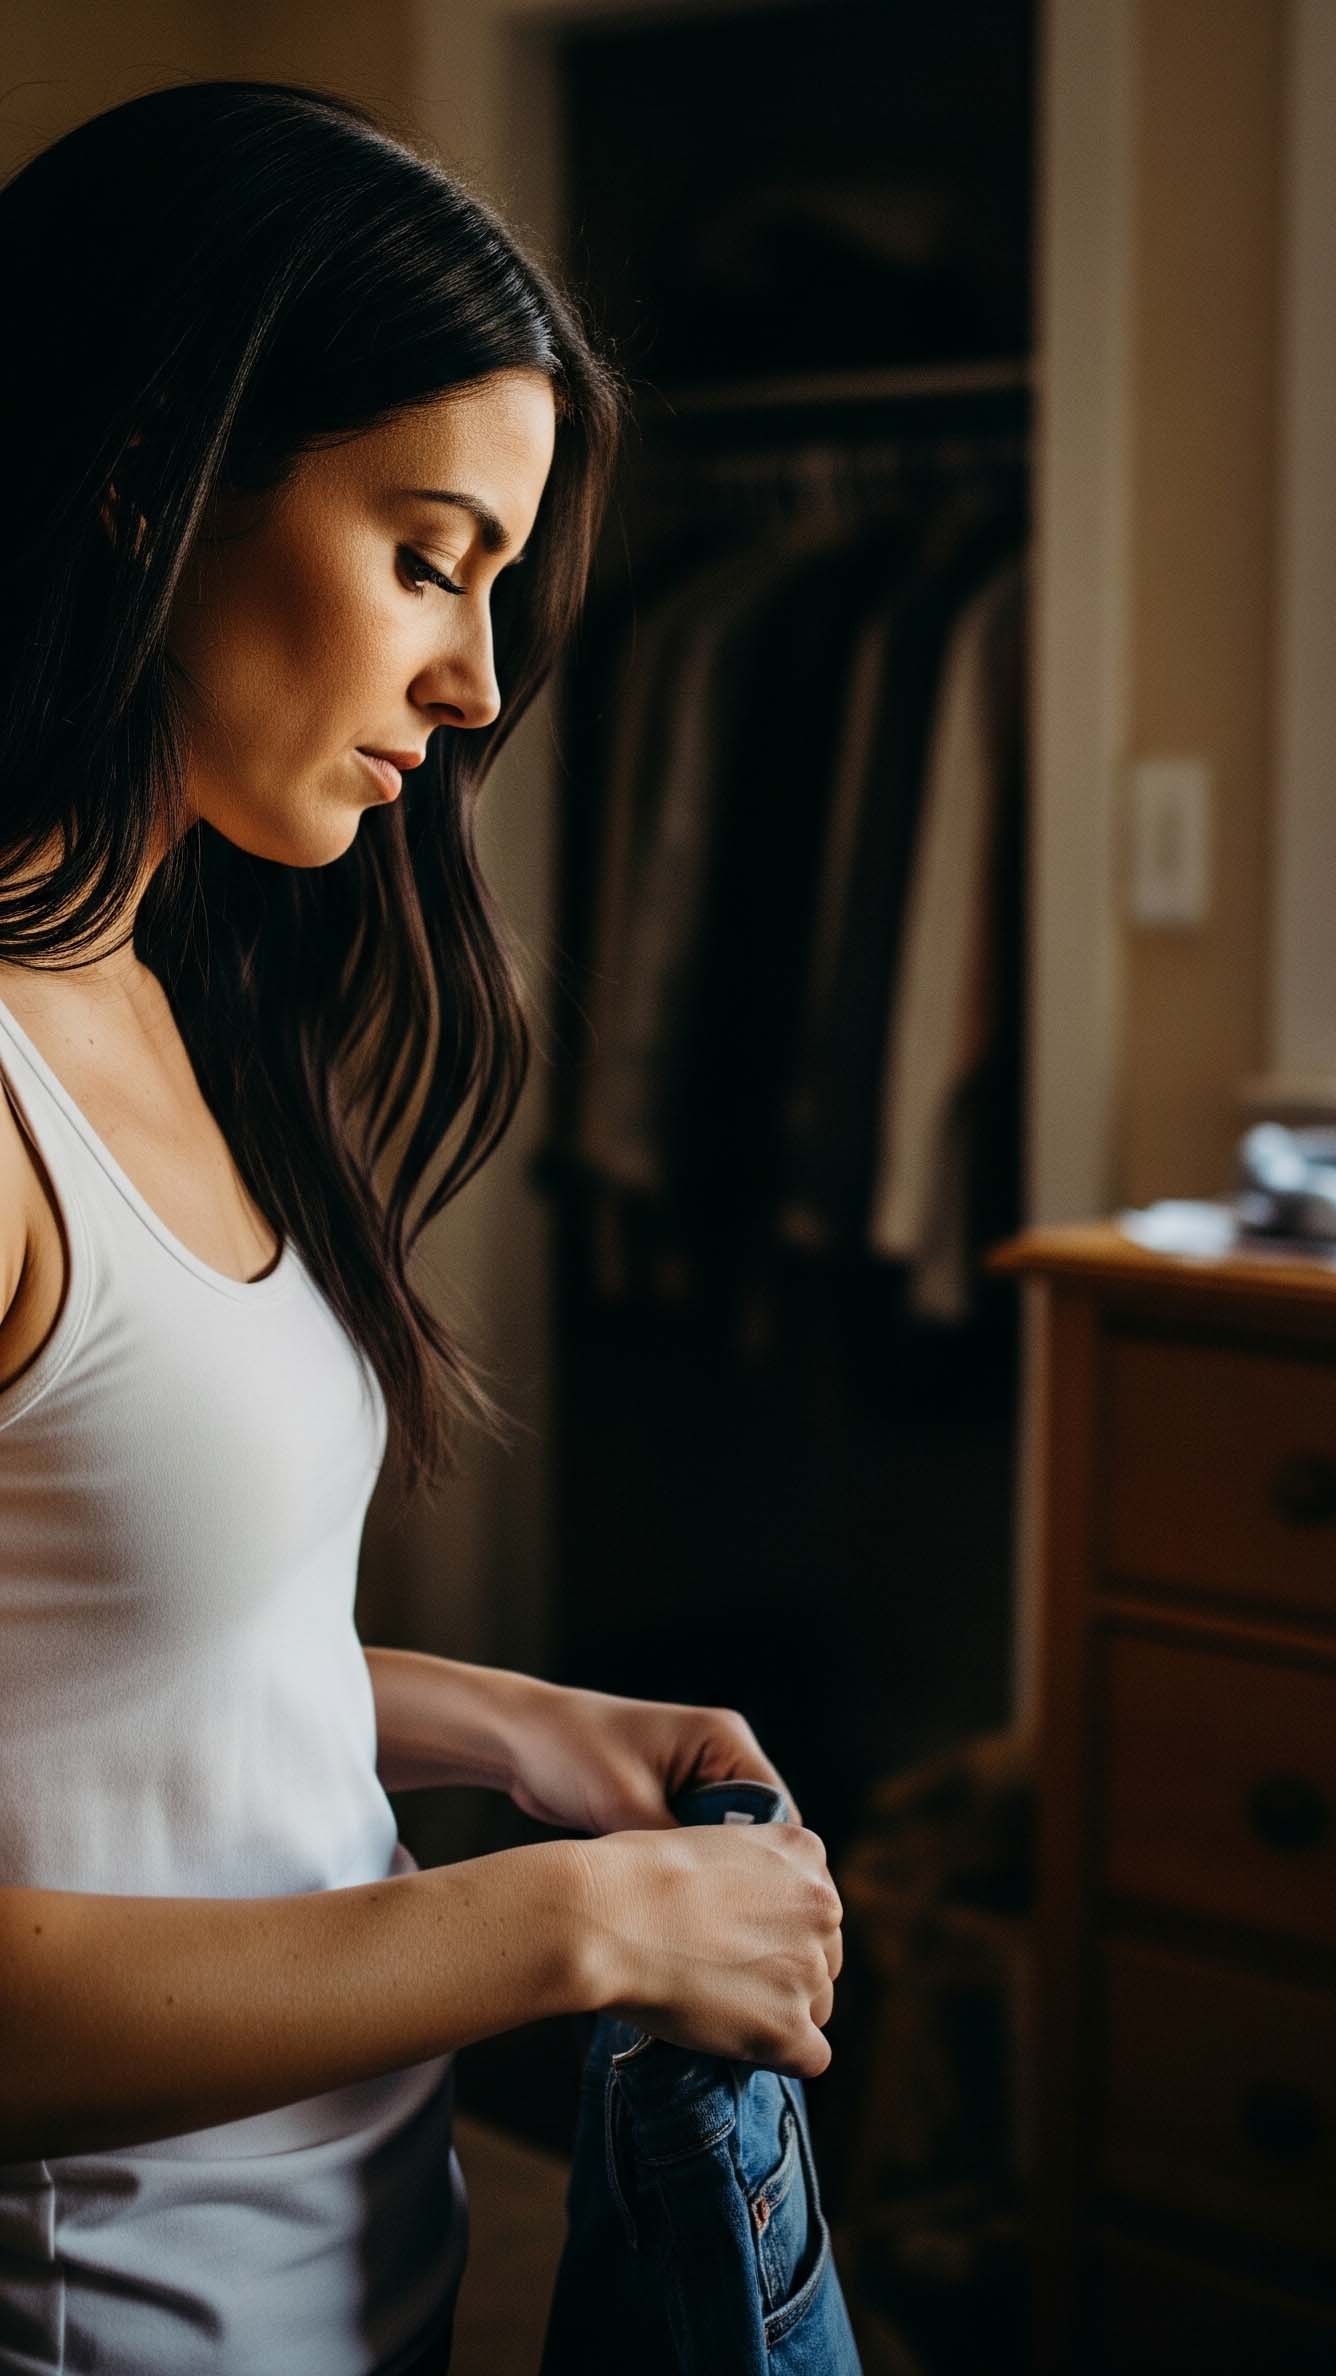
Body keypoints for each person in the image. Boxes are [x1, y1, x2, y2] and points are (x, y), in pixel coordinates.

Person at [0, 77, 844, 2376]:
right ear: (147, 479)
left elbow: (100, 1689)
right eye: (426, 556)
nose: (476, 682)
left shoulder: (154, 1007)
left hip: (355, 2286)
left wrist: (494, 1723)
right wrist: (574, 1929)